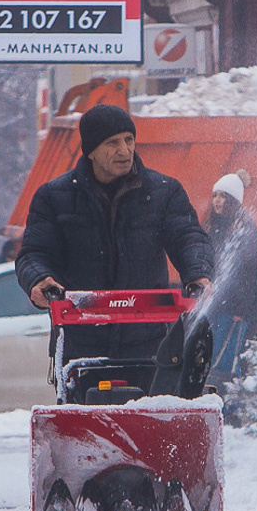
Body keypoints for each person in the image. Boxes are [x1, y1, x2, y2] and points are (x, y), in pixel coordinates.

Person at [16, 104, 214, 377]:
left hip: (150, 344)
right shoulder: (53, 197)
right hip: (82, 344)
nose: (124, 150)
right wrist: (40, 280)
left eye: (129, 140)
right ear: (91, 151)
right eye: (112, 143)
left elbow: (189, 237)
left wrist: (198, 274)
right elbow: (34, 253)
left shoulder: (164, 192)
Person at [204, 172, 257, 384]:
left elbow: (251, 274)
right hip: (215, 306)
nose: (217, 201)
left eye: (223, 196)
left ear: (233, 200)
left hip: (232, 310)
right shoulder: (214, 227)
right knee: (214, 361)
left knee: (223, 364)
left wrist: (240, 310)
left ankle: (230, 407)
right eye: (215, 195)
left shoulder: (244, 229)